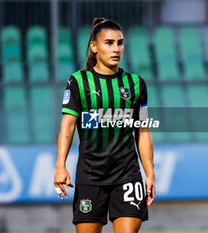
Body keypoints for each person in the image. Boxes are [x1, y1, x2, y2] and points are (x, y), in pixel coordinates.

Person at [54, 17, 155, 233]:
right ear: (94, 46)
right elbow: (68, 126)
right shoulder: (78, 82)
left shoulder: (136, 84)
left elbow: (143, 131)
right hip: (90, 174)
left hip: (127, 174)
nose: (116, 49)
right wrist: (60, 165)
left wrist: (150, 173)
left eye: (120, 43)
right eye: (109, 43)